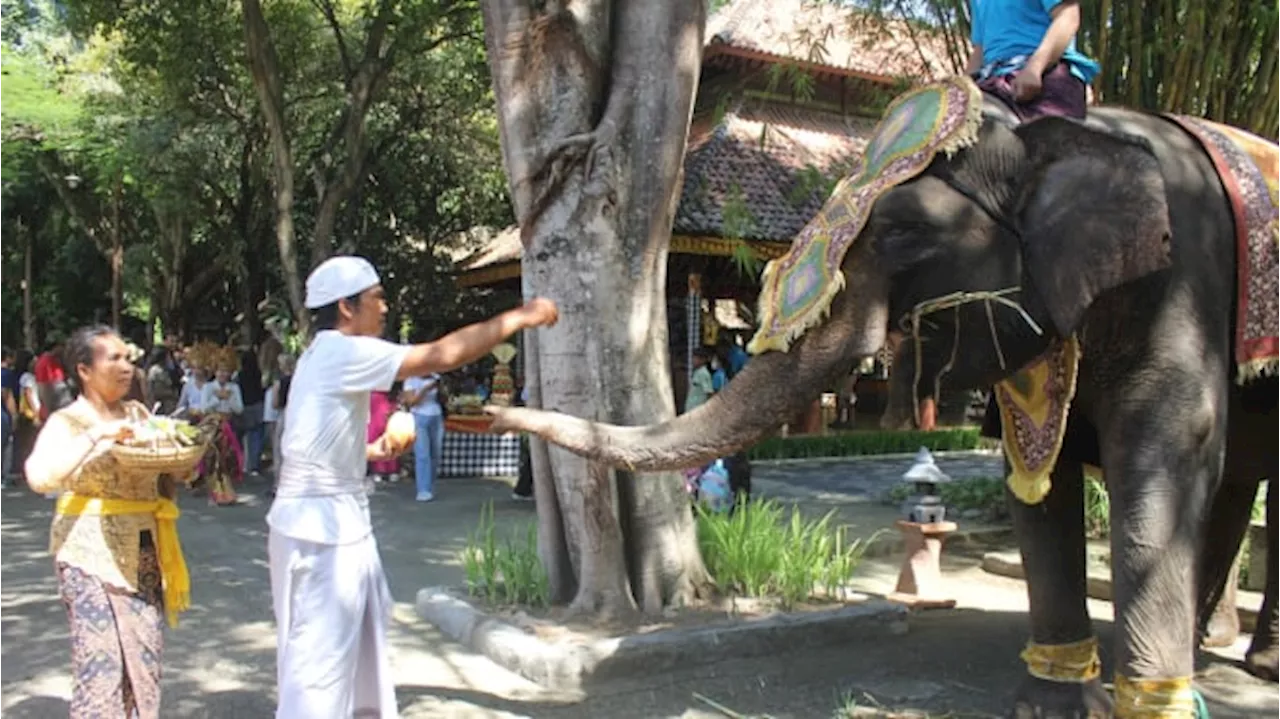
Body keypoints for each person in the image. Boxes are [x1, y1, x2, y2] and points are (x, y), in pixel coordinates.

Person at [266, 255, 557, 718]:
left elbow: (306, 445)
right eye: (377, 298)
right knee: (318, 660)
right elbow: (443, 354)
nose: (384, 308)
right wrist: (520, 317)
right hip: (322, 530)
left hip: (326, 521)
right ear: (346, 307)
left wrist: (370, 453)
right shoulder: (340, 350)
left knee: (350, 645)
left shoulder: (321, 355)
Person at [24, 325, 193, 718]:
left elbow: (165, 473)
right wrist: (97, 437)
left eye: (127, 358)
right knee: (101, 660)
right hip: (87, 552)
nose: (126, 367)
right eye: (113, 358)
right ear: (84, 370)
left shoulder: (138, 414)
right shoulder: (69, 421)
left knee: (145, 654)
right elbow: (38, 476)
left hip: (144, 548)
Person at [965, 0, 1098, 121]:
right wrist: (960, 87)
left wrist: (1034, 69)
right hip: (992, 79)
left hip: (1046, 71)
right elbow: (980, 50)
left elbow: (1068, 16)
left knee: (1047, 141)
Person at [401, 370, 444, 502]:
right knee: (422, 454)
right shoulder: (410, 380)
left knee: (435, 453)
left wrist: (442, 388)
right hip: (419, 417)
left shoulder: (436, 376)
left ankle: (430, 486)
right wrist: (425, 389)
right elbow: (411, 402)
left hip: (436, 416)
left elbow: (442, 397)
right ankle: (423, 490)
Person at [237, 349, 266, 477]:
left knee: (245, 437)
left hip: (246, 406)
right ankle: (255, 464)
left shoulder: (240, 375)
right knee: (258, 435)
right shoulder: (259, 373)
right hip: (258, 405)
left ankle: (244, 464)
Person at [365, 385, 400, 484]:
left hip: (380, 415)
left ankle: (384, 471)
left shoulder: (373, 392)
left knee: (385, 439)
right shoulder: (376, 392)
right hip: (379, 415)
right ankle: (387, 471)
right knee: (384, 439)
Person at [684, 348, 715, 414]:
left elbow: (709, 392)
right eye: (693, 358)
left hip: (697, 410)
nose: (693, 360)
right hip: (691, 409)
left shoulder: (703, 373)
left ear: (703, 360)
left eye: (696, 358)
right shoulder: (697, 372)